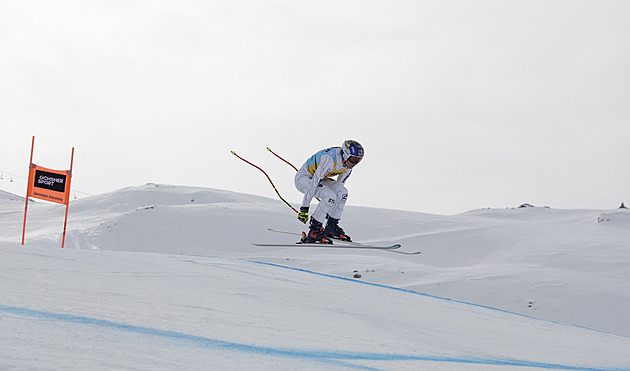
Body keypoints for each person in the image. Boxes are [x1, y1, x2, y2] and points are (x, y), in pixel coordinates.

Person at [294, 140, 364, 243]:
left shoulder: (348, 166)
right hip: (304, 178)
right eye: (353, 159)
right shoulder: (329, 159)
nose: (355, 163)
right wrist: (304, 208)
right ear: (345, 155)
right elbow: (314, 184)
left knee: (342, 192)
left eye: (358, 160)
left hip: (321, 179)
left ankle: (331, 227)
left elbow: (338, 187)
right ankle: (314, 231)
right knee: (329, 196)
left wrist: (331, 208)